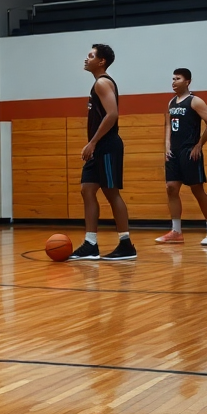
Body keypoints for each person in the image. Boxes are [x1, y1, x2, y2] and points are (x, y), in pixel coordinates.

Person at [69, 43, 137, 261]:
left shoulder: (102, 83)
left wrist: (93, 142)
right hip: (98, 147)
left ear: (102, 61)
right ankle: (90, 244)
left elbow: (112, 115)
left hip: (107, 145)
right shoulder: (98, 84)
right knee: (87, 190)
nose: (86, 59)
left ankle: (126, 244)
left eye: (91, 56)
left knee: (111, 192)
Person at [156, 68, 207, 246]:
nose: (173, 81)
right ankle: (176, 231)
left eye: (177, 78)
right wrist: (167, 145)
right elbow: (168, 124)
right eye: (172, 78)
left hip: (189, 152)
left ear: (187, 81)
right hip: (174, 152)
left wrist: (199, 144)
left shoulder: (195, 101)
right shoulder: (171, 102)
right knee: (171, 188)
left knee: (197, 190)